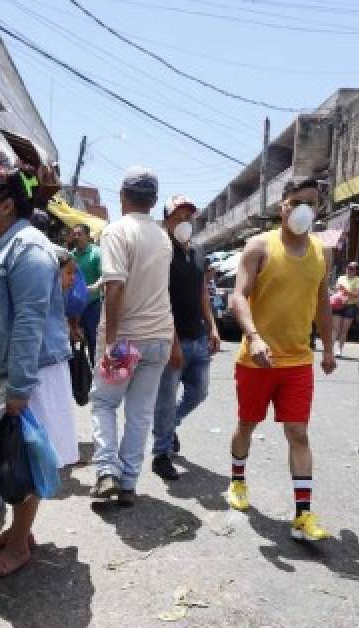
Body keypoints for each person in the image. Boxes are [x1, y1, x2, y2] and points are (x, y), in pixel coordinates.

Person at [0, 165, 77, 580]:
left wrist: (19, 387)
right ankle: (19, 530)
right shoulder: (1, 246)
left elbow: (30, 321)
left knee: (23, 457)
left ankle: (18, 546)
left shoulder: (27, 248)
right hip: (9, 369)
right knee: (10, 453)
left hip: (29, 372)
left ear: (8, 204)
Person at [225, 177, 337, 542]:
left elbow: (322, 301)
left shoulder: (323, 252)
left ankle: (303, 514)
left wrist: (329, 347)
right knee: (247, 425)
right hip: (257, 360)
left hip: (298, 361)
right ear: (283, 206)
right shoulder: (259, 246)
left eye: (313, 203)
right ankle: (238, 481)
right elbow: (237, 297)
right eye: (298, 202)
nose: (306, 209)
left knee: (298, 433)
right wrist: (253, 337)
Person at [89, 167, 174, 506]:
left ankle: (107, 470)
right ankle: (127, 483)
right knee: (140, 413)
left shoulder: (117, 232)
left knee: (104, 403)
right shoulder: (163, 236)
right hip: (159, 340)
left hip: (126, 341)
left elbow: (114, 288)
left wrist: (110, 343)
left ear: (122, 197)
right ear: (153, 201)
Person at [150, 194, 221, 481]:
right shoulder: (162, 253)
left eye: (188, 217)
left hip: (198, 338)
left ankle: (170, 428)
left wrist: (213, 327)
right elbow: (161, 300)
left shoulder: (198, 251)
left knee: (199, 392)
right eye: (177, 217)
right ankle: (161, 454)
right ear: (166, 221)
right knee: (165, 400)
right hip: (172, 340)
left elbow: (203, 292)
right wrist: (174, 341)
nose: (183, 222)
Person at [70, 223, 104, 363]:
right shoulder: (70, 256)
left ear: (87, 236)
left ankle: (95, 378)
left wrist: (95, 286)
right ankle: (76, 380)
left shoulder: (96, 253)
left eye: (80, 234)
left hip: (92, 306)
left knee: (93, 342)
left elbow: (105, 274)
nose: (76, 236)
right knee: (72, 342)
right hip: (73, 307)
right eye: (74, 234)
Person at [333, 262, 359, 358]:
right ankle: (330, 348)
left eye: (352, 268)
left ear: (356, 271)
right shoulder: (341, 278)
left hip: (350, 306)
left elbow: (356, 295)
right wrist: (340, 290)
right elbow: (336, 289)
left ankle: (339, 350)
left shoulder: (358, 280)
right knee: (335, 329)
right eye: (348, 267)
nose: (349, 270)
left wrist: (345, 291)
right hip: (338, 304)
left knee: (344, 330)